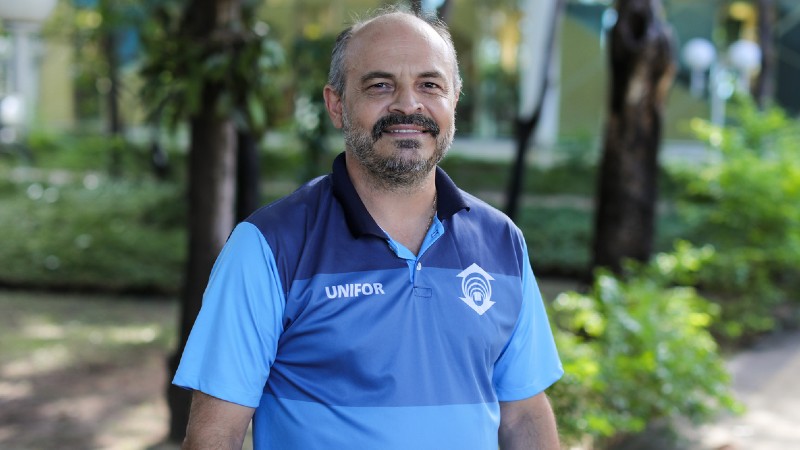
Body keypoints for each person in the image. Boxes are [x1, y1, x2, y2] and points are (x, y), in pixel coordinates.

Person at [173, 5, 563, 449]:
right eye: (380, 85)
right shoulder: (268, 246)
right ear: (337, 105)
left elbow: (524, 415)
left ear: (454, 100)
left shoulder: (502, 242)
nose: (408, 105)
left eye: (429, 85)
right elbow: (214, 436)